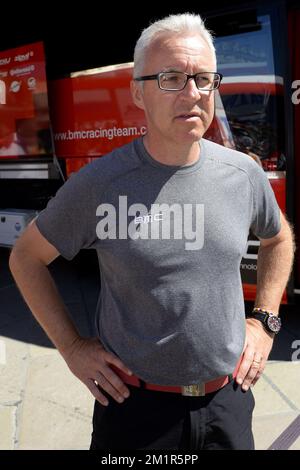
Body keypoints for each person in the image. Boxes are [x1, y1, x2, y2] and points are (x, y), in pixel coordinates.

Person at [9, 13, 294, 450]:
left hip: (228, 403)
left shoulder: (242, 174)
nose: (192, 93)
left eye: (202, 79)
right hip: (134, 414)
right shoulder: (99, 183)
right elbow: (25, 257)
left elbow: (278, 238)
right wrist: (70, 347)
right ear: (137, 93)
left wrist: (266, 320)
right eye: (171, 78)